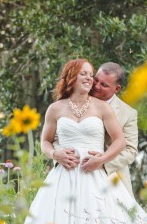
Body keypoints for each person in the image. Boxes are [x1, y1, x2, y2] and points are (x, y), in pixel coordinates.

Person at [6, 58, 147, 224]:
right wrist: (56, 153)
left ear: (115, 88)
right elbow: (45, 142)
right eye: (85, 74)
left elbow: (120, 142)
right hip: (63, 178)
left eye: (92, 75)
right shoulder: (55, 108)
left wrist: (102, 160)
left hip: (96, 178)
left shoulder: (102, 108)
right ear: (71, 76)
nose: (90, 80)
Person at [53, 62, 138, 197]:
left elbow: (130, 150)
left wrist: (102, 162)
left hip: (112, 179)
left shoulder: (128, 113)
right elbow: (57, 137)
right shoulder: (69, 102)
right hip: (71, 173)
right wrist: (60, 155)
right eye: (96, 80)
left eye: (104, 85)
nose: (96, 86)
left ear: (116, 89)